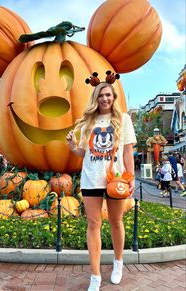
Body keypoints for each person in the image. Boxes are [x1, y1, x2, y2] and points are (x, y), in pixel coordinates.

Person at [66, 79, 136, 290]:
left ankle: (118, 263)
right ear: (95, 98)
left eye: (108, 95)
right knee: (93, 224)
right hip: (91, 177)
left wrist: (130, 176)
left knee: (116, 221)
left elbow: (127, 151)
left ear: (113, 97)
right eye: (101, 95)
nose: (105, 98)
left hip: (115, 179)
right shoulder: (87, 122)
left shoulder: (123, 119)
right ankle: (95, 275)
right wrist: (72, 146)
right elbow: (83, 153)